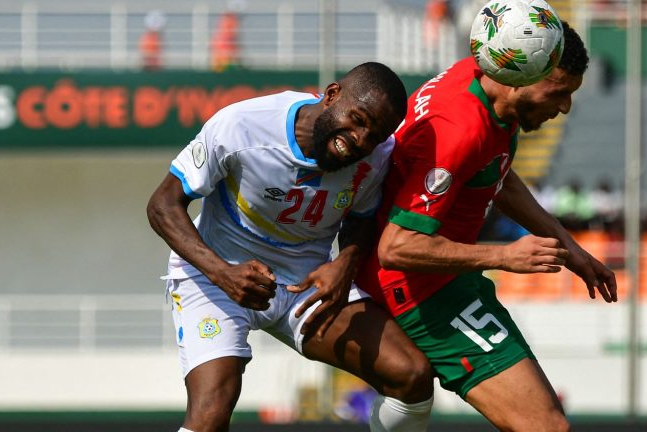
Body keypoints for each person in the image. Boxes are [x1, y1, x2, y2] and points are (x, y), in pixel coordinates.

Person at [355, 23, 617, 432]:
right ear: (523, 78)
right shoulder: (462, 130)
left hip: (444, 278)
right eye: (559, 91)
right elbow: (398, 246)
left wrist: (570, 248)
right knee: (545, 427)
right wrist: (504, 255)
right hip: (421, 290)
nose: (565, 106)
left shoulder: (478, 82)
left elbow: (497, 176)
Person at [147, 62, 434, 432]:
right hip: (216, 276)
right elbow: (162, 204)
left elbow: (362, 217)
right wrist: (223, 273)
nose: (361, 140)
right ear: (331, 95)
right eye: (358, 120)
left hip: (305, 284)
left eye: (375, 135)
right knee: (209, 415)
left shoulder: (377, 156)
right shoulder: (241, 126)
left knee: (412, 375)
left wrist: (345, 263)